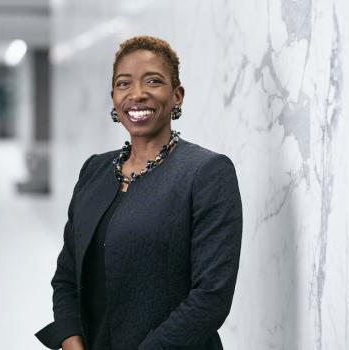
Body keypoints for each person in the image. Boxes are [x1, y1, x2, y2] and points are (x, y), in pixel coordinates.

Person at [35, 35, 242, 350]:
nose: (138, 94)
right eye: (124, 84)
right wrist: (70, 340)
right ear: (114, 98)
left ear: (177, 96)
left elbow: (211, 297)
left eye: (153, 81)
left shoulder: (206, 173)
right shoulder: (94, 171)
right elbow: (67, 276)